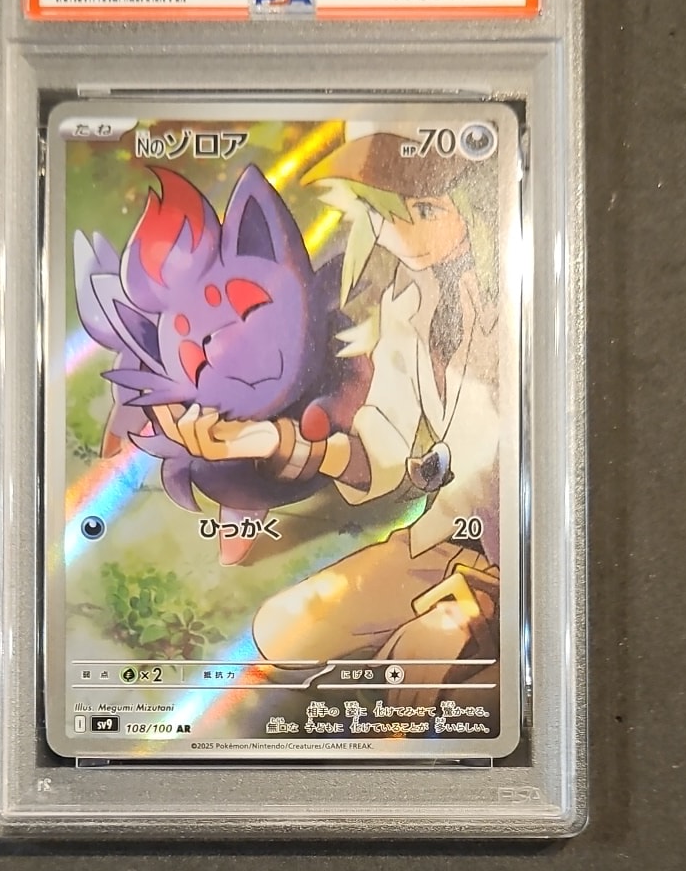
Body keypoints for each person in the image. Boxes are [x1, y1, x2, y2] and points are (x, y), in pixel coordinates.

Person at [152, 127, 501, 703]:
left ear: (468, 204)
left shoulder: (511, 303)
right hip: (446, 541)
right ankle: (463, 618)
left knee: (417, 668)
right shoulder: (405, 303)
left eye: (425, 210)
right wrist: (266, 441)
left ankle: (479, 629)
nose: (401, 233)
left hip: (522, 548)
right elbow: (381, 447)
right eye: (382, 213)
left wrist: (475, 600)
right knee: (282, 629)